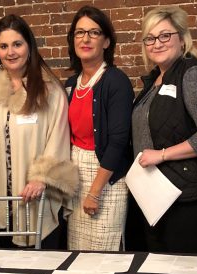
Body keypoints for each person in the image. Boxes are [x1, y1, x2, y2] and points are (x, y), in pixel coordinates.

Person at [131, 6, 197, 253]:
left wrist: (162, 154)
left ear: (182, 38)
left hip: (191, 197)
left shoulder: (193, 74)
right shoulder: (155, 79)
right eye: (150, 38)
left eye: (165, 35)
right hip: (158, 194)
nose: (157, 43)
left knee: (183, 271)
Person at [0, 14, 78, 248]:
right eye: (3, 46)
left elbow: (59, 136)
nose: (10, 52)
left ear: (29, 47)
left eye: (17, 44)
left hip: (35, 196)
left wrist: (42, 177)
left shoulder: (49, 90)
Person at [65, 6, 133, 251]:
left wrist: (94, 192)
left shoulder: (116, 81)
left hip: (105, 178)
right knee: (77, 251)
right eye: (79, 32)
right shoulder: (72, 83)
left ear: (106, 41)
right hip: (77, 174)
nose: (85, 39)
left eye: (94, 32)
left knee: (104, 252)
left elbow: (118, 141)